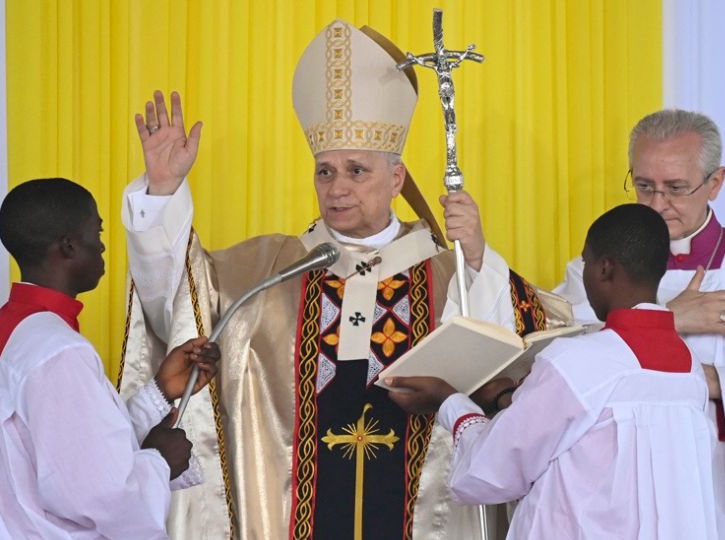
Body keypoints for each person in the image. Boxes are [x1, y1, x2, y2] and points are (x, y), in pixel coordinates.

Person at [118, 19, 556, 539]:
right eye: (325, 171)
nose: (337, 188)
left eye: (356, 170)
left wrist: (478, 256)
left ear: (396, 179)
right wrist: (163, 192)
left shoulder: (453, 273)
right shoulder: (263, 273)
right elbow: (176, 304)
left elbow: (525, 364)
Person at [386, 203, 718, 539]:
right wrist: (508, 398)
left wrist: (449, 401)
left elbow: (493, 470)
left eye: (586, 262)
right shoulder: (688, 368)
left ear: (605, 268)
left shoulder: (578, 360)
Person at [554, 110, 725, 537]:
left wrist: (714, 382)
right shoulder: (595, 269)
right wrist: (668, 319)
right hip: (625, 489)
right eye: (644, 186)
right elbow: (562, 365)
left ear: (715, 182)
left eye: (675, 188)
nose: (657, 204)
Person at [0, 178, 220, 539]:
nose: (102, 245)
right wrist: (160, 461)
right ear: (68, 245)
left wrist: (160, 391)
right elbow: (103, 497)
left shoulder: (6, 330)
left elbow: (70, 452)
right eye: (97, 232)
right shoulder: (58, 350)